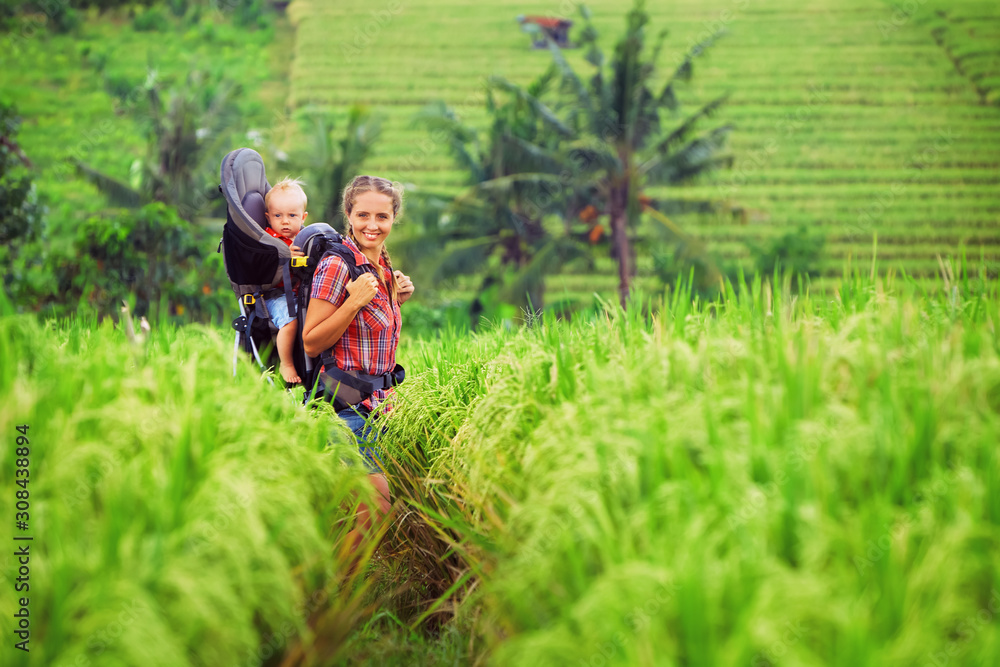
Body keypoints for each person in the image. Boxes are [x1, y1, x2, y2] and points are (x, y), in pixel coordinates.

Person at [301, 175, 414, 549]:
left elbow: (371, 335)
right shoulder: (338, 266)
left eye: (382, 216)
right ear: (348, 215)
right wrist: (352, 303)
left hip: (380, 410)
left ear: (394, 218)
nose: (372, 225)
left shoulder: (383, 268)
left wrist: (395, 298)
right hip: (342, 412)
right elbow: (312, 339)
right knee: (377, 511)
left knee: (370, 516)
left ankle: (338, 593)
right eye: (363, 214)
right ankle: (325, 600)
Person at [263, 178, 308, 384]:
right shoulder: (268, 240)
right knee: (290, 322)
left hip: (301, 292)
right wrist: (280, 255)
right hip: (275, 294)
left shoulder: (304, 237)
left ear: (303, 217)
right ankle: (286, 363)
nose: (285, 221)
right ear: (268, 217)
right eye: (277, 216)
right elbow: (260, 266)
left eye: (292, 215)